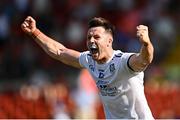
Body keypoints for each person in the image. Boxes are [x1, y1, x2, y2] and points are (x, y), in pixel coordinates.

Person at [21, 16, 154, 119]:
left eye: (96, 37)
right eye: (89, 37)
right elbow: (60, 52)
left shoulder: (124, 62)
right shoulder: (89, 60)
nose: (91, 40)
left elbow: (144, 59)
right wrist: (35, 32)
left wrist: (146, 44)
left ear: (109, 41)